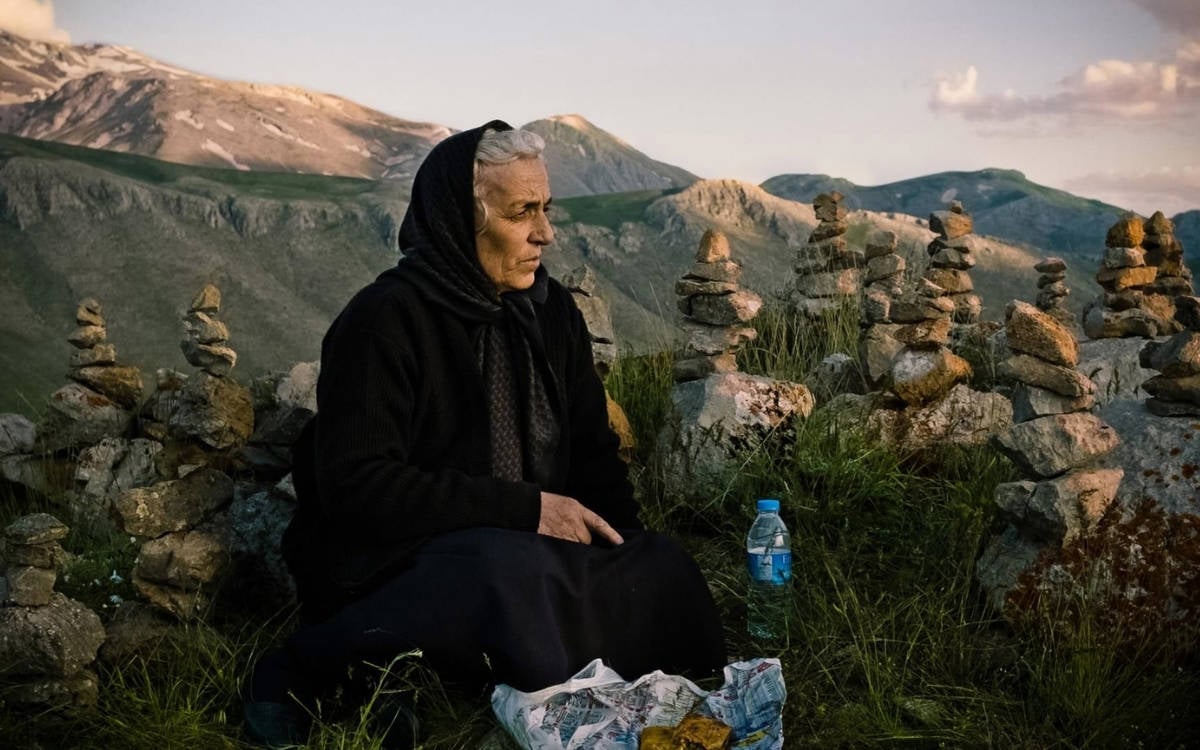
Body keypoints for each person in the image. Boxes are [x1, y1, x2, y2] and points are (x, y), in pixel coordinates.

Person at [245, 120, 725, 747]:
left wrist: (620, 547)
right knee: (502, 576)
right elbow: (356, 487)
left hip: (526, 550)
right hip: (402, 558)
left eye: (546, 209)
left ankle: (493, 655)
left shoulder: (552, 313)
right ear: (457, 219)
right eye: (522, 212)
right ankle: (317, 663)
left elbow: (592, 453)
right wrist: (525, 511)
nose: (544, 234)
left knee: (662, 566)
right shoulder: (384, 320)